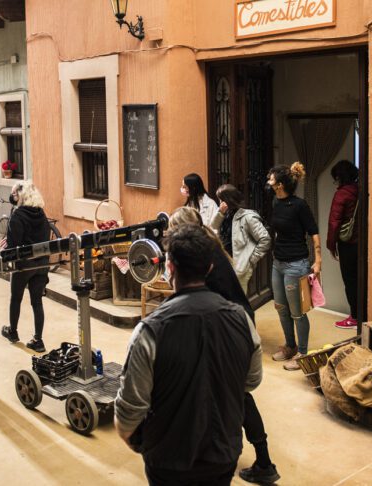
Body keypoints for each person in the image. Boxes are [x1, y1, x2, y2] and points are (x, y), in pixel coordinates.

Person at [115, 225, 263, 486]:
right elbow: (251, 381)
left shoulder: (149, 331)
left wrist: (146, 443)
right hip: (223, 456)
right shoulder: (242, 320)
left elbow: (128, 415)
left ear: (169, 267)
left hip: (168, 463)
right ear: (209, 267)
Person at [169, 208, 279, 484]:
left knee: (238, 395)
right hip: (238, 322)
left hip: (231, 328)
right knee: (234, 392)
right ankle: (258, 458)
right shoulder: (210, 246)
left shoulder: (201, 257)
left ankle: (262, 462)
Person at [267, 162, 321, 371]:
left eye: (271, 178)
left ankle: (303, 354)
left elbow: (313, 232)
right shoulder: (276, 202)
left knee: (297, 312)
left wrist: (318, 261)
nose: (269, 180)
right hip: (278, 263)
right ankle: (290, 346)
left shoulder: (300, 205)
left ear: (280, 184)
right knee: (281, 308)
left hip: (296, 265)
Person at [0, 181, 51, 353]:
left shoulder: (18, 215)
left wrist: (5, 248)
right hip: (42, 263)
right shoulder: (41, 214)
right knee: (37, 302)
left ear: (20, 196)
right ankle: (38, 340)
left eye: (13, 194)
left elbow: (13, 244)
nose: (12, 197)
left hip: (24, 264)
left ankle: (13, 332)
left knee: (16, 298)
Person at [210, 184, 271, 294]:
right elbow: (213, 226)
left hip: (240, 267)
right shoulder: (224, 214)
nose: (220, 203)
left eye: (221, 200)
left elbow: (265, 239)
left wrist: (251, 260)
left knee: (239, 300)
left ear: (228, 200)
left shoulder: (248, 217)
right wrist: (220, 212)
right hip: (224, 263)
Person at [327, 160, 359, 330]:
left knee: (350, 280)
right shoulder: (360, 190)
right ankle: (361, 315)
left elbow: (334, 222)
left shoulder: (342, 194)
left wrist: (331, 246)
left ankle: (354, 317)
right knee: (360, 280)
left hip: (347, 244)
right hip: (362, 243)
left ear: (340, 177)